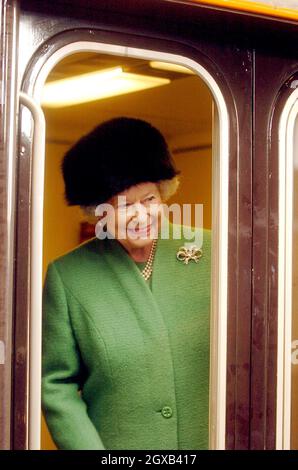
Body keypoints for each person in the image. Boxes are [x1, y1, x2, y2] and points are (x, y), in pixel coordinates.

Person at [41, 116, 211, 450]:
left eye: (149, 200)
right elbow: (55, 386)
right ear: (98, 212)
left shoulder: (213, 252)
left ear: (163, 194)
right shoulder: (68, 276)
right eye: (123, 205)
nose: (141, 216)